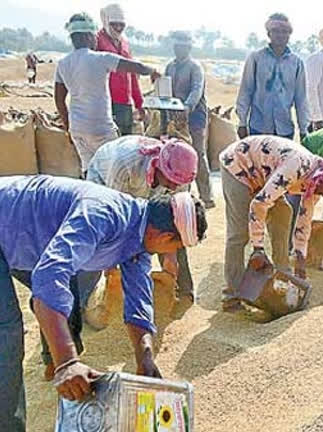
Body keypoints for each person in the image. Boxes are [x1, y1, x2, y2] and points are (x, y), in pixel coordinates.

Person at [0, 175, 207, 432]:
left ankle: (53, 361)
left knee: (61, 295)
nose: (170, 255)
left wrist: (145, 360)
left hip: (21, 235)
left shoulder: (138, 238)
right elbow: (48, 279)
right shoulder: (103, 213)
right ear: (164, 238)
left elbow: (138, 304)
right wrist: (68, 362)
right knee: (2, 338)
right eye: (175, 247)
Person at [219, 136, 323, 312]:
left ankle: (284, 276)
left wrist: (300, 258)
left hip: (262, 174)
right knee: (239, 233)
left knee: (283, 213)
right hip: (238, 164)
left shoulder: (315, 182)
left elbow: (305, 220)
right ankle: (232, 296)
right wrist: (258, 249)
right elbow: (259, 204)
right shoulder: (296, 167)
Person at [80, 136, 199, 327]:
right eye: (171, 182)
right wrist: (112, 263)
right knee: (98, 239)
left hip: (143, 188)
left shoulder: (181, 174)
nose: (174, 187)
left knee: (174, 234)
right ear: (159, 167)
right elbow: (115, 218)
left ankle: (182, 291)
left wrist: (171, 260)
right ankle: (87, 302)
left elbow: (176, 222)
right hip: (106, 181)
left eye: (179, 184)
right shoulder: (125, 164)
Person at [54, 12, 161, 174]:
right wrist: (153, 71)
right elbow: (135, 67)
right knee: (114, 171)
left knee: (89, 171)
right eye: (94, 35)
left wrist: (69, 127)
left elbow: (59, 100)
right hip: (101, 127)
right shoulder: (101, 58)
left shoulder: (63, 64)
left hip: (78, 129)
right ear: (88, 37)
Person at [235, 13, 309, 141]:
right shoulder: (255, 58)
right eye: (276, 31)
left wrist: (303, 129)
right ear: (269, 34)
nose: (280, 35)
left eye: (284, 31)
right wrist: (242, 123)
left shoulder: (297, 63)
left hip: (285, 129)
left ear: (289, 35)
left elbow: (301, 99)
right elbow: (246, 91)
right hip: (258, 127)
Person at [165, 31, 215, 209]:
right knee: (175, 154)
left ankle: (206, 196)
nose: (179, 50)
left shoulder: (195, 67)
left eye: (183, 47)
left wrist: (187, 107)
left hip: (195, 117)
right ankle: (178, 193)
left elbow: (196, 90)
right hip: (174, 116)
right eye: (177, 46)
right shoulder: (169, 67)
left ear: (189, 48)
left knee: (197, 154)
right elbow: (165, 89)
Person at [95, 3, 144, 136]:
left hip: (124, 103)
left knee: (124, 143)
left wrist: (139, 103)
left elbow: (132, 75)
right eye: (114, 24)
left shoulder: (125, 43)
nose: (118, 28)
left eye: (121, 25)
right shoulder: (97, 41)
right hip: (105, 103)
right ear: (106, 21)